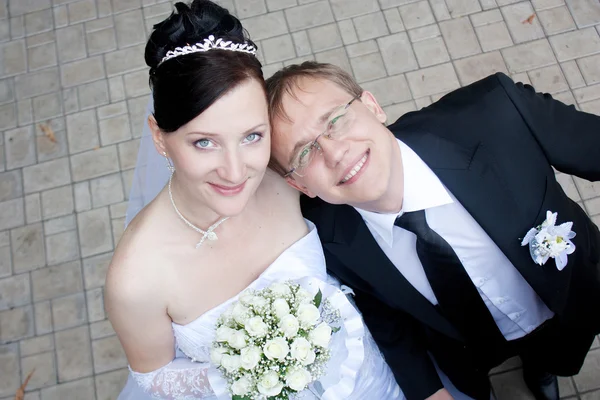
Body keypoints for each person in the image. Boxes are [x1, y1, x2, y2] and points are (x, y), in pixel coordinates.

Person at [106, 2, 467, 399]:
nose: (235, 171)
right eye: (204, 142)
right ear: (159, 136)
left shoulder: (286, 177)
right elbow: (153, 377)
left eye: (252, 136)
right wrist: (241, 371)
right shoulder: (136, 281)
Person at [266, 62, 600, 400]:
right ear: (298, 184)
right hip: (463, 351)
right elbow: (383, 316)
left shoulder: (497, 111)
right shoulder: (325, 238)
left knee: (557, 355)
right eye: (305, 152)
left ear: (372, 106)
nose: (335, 153)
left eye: (336, 120)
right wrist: (429, 391)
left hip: (567, 298)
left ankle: (542, 370)